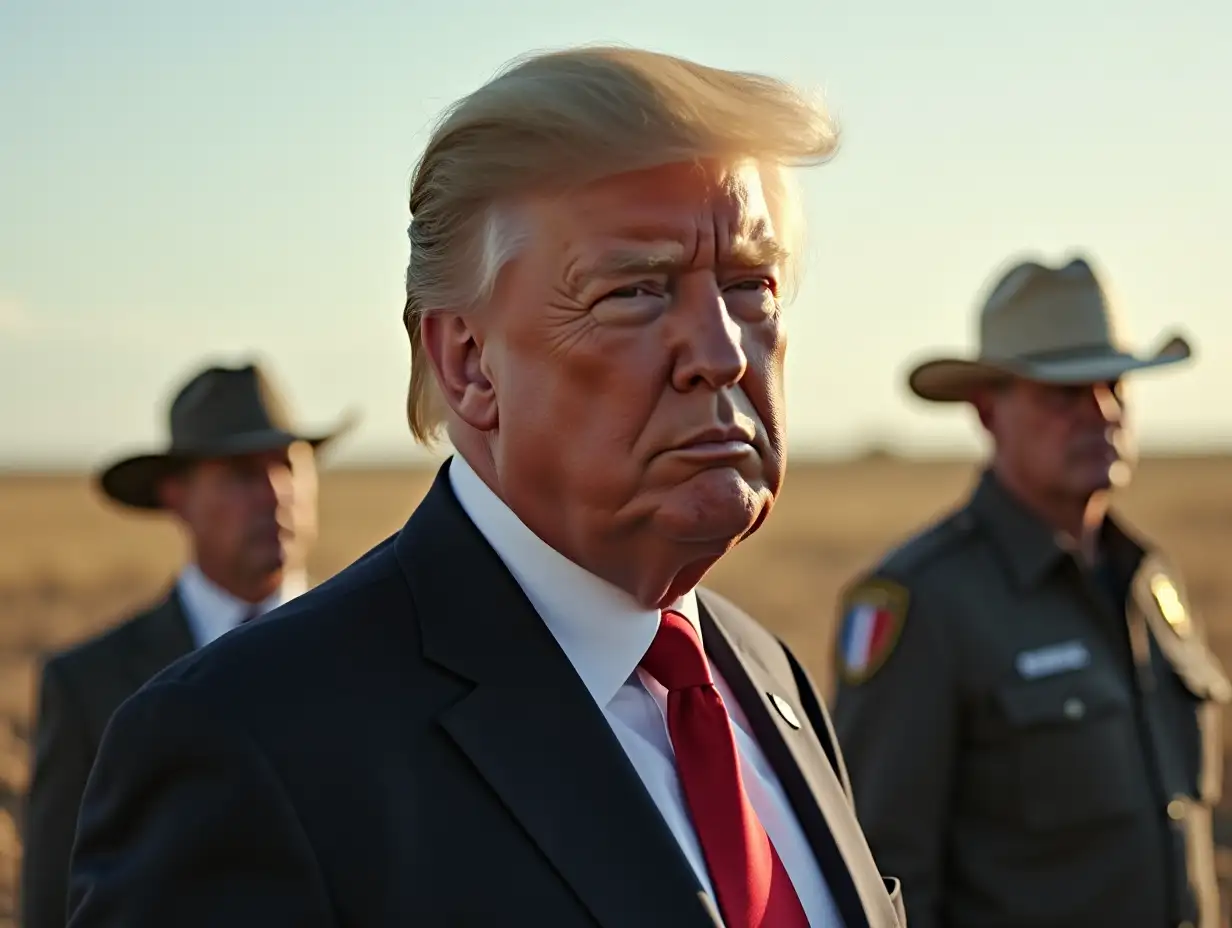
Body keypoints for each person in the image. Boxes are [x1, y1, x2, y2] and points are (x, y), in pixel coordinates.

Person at [64, 46, 906, 928]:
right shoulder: (252, 743)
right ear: (468, 364)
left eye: (750, 286)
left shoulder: (764, 675)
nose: (722, 353)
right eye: (637, 292)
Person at [830, 254, 1230, 928]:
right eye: (1063, 395)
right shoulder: (924, 602)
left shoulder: (1149, 578)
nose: (1100, 412)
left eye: (1113, 385)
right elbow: (886, 875)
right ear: (988, 412)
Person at [21, 359, 353, 928]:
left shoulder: (372, 655)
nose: (276, 494)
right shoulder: (90, 688)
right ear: (177, 496)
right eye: (243, 474)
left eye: (289, 466)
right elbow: (56, 907)